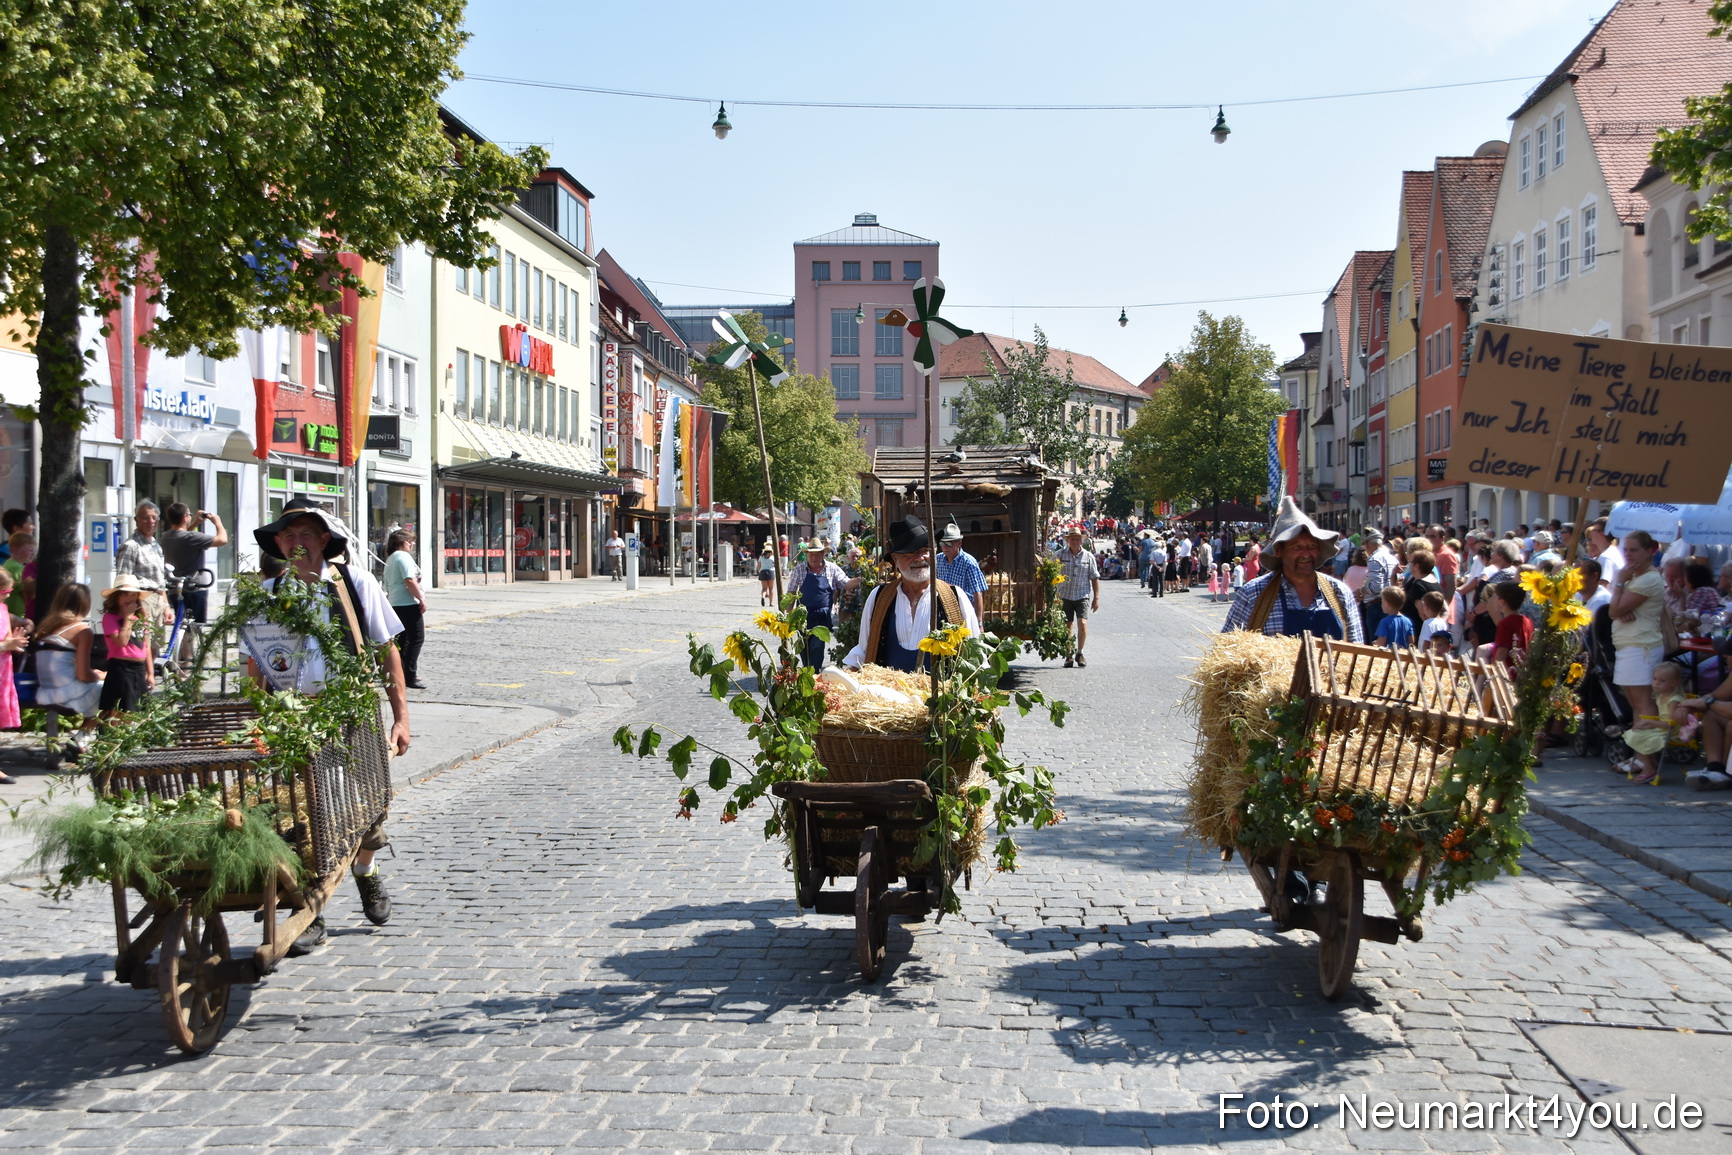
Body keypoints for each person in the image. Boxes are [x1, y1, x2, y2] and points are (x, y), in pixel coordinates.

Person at [247, 498, 410, 954]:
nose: (297, 543)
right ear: (279, 544)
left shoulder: (354, 583)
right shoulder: (270, 593)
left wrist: (401, 718)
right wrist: (259, 718)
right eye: (288, 536)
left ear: (323, 541)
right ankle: (309, 907)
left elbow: (386, 649)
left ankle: (365, 871)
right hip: (294, 715)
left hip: (352, 711)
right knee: (303, 811)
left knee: (372, 803)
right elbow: (255, 664)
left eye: (305, 535)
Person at [841, 516, 980, 672]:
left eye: (925, 551)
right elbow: (864, 652)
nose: (920, 558)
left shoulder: (955, 597)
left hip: (941, 694)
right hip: (887, 694)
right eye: (909, 553)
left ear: (934, 551)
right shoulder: (879, 598)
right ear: (895, 558)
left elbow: (975, 654)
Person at [1222, 497, 1363, 643]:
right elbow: (1226, 651)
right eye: (1297, 547)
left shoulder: (1339, 592)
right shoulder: (1253, 594)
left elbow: (1358, 653)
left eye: (1311, 546)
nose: (1306, 554)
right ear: (1278, 551)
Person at [1608, 529, 1667, 742]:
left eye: (1634, 550)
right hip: (1630, 645)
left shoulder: (1648, 579)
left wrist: (1620, 583)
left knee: (1643, 703)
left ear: (1648, 552)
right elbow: (1616, 610)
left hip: (1642, 646)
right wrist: (1619, 607)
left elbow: (1613, 611)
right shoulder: (1637, 577)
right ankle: (1640, 755)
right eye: (1626, 550)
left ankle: (1647, 758)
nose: (1628, 554)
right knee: (1635, 703)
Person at [31, 583, 105, 748]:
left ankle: (80, 741)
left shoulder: (47, 627)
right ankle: (82, 739)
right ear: (85, 604)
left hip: (45, 690)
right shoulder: (82, 630)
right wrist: (101, 675)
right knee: (111, 689)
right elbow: (83, 675)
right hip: (65, 691)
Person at [793, 538, 858, 669]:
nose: (813, 557)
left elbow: (846, 584)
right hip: (802, 618)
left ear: (823, 554)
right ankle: (807, 673)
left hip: (822, 618)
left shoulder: (832, 568)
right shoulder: (799, 570)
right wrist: (787, 616)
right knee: (803, 649)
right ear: (806, 555)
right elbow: (790, 593)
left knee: (817, 645)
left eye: (817, 554)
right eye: (811, 554)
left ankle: (815, 674)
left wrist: (862, 578)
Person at [1619, 661, 1689, 784]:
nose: (1656, 683)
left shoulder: (1674, 700)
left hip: (1672, 731)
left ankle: (1649, 768)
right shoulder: (1660, 696)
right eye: (1655, 679)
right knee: (1635, 733)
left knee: (1645, 737)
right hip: (1662, 729)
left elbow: (1670, 724)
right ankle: (1650, 763)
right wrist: (1648, 723)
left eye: (1662, 681)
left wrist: (1649, 723)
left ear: (1673, 683)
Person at [158, 502, 228, 624]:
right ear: (185, 517)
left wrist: (195, 523)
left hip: (175, 588)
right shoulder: (192, 537)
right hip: (194, 588)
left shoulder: (165, 537)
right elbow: (222, 540)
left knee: (181, 623)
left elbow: (182, 534)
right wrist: (218, 522)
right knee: (195, 626)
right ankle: (190, 643)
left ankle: (184, 642)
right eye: (190, 515)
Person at [98, 574, 155, 713]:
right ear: (116, 597)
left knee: (137, 710)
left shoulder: (141, 619)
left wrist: (151, 673)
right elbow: (122, 642)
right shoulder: (110, 618)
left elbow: (146, 647)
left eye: (133, 595)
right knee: (119, 709)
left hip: (138, 668)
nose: (130, 599)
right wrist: (128, 618)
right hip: (121, 668)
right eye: (125, 595)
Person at [383, 529, 428, 690]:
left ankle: (400, 671)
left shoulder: (391, 558)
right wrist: (421, 599)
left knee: (403, 640)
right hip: (407, 603)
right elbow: (409, 580)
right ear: (402, 542)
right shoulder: (402, 556)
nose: (412, 544)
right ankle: (409, 674)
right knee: (416, 638)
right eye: (410, 541)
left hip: (396, 602)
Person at [1054, 528, 1101, 668]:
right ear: (1068, 540)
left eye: (1077, 539)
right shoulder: (1060, 555)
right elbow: (1050, 571)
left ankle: (1080, 653)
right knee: (1068, 626)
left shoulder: (1088, 556)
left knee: (1083, 624)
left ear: (1081, 541)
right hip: (1064, 595)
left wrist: (1096, 598)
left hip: (1082, 595)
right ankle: (1068, 655)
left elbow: (1095, 578)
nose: (1075, 541)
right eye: (1072, 539)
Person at [934, 523, 988, 621]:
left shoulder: (969, 563)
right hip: (943, 612)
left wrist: (979, 622)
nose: (945, 547)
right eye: (942, 543)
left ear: (959, 543)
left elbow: (977, 594)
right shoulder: (937, 560)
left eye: (949, 544)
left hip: (964, 613)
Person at [1486, 581, 1531, 675]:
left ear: (1501, 602)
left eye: (1495, 597)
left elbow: (1501, 652)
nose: (1493, 600)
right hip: (1521, 673)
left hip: (1506, 674)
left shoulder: (1505, 623)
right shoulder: (1527, 621)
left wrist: (1495, 675)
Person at [2, 533, 34, 621]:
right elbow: (27, 594)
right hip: (18, 615)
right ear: (15, 550)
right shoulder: (18, 569)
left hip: (10, 612)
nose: (33, 554)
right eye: (30, 550)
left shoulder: (8, 563)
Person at [1417, 591, 1451, 655]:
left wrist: (1424, 655)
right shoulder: (1442, 622)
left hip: (1428, 657)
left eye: (1423, 606)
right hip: (1437, 655)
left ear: (1427, 608)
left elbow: (1426, 642)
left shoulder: (1427, 623)